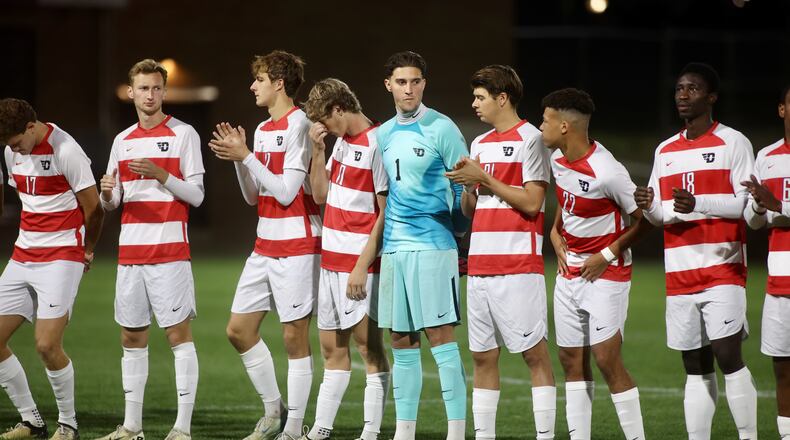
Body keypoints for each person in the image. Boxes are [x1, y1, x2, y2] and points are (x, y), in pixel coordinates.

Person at [634, 62, 757, 440]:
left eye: (693, 89)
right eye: (679, 89)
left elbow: (747, 206)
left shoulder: (733, 142)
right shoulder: (665, 150)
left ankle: (749, 436)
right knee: (694, 363)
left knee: (727, 355)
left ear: (712, 97)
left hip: (723, 268)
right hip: (680, 271)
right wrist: (647, 205)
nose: (683, 95)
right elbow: (659, 214)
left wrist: (699, 202)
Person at [209, 50, 321, 440]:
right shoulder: (261, 128)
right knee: (238, 329)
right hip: (265, 242)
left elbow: (289, 192)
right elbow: (253, 197)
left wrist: (247, 157)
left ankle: (292, 429)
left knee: (294, 338)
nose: (252, 86)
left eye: (259, 79)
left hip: (298, 244)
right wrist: (242, 161)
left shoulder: (301, 124)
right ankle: (275, 411)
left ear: (279, 82)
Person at [445, 65, 555, 439]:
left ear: (502, 98)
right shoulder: (479, 144)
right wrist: (467, 187)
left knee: (534, 355)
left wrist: (485, 180)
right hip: (479, 267)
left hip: (518, 267)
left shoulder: (532, 139)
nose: (474, 104)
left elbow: (533, 203)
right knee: (482, 356)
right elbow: (470, 211)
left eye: (480, 97)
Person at [97, 59, 205, 440]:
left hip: (170, 253)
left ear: (164, 91)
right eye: (143, 88)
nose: (150, 94)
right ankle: (132, 427)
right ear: (131, 92)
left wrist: (162, 175)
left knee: (178, 336)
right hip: (131, 254)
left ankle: (182, 428)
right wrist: (107, 192)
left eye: (156, 88)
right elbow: (113, 202)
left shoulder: (183, 134)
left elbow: (196, 195)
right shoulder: (122, 140)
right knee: (131, 337)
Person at [543, 88, 650, 440]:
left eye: (545, 120)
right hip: (568, 272)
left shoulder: (607, 171)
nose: (540, 126)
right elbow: (568, 202)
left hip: (606, 275)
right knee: (571, 361)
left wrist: (605, 256)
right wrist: (556, 233)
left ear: (563, 126)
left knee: (606, 360)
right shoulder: (558, 159)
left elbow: (643, 221)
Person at [375, 50, 469, 440]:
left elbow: (464, 186)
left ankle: (456, 431)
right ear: (389, 86)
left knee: (440, 338)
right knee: (400, 339)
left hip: (434, 246)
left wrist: (458, 235)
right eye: (401, 82)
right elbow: (386, 195)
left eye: (415, 81)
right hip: (395, 249)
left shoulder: (442, 128)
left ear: (424, 84)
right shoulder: (382, 133)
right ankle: (404, 432)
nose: (408, 89)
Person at [0, 97, 104, 440]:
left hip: (61, 257)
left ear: (32, 127)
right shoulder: (11, 151)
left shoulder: (66, 149)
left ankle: (68, 425)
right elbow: (26, 198)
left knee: (46, 345)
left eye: (17, 141)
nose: (15, 149)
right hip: (23, 255)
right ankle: (32, 422)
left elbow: (94, 208)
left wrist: (86, 251)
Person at [298, 78, 390, 440]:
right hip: (330, 261)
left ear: (339, 109)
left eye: (326, 120)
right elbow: (321, 195)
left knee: (369, 348)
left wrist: (361, 265)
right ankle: (320, 430)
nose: (324, 127)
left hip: (358, 265)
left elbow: (385, 213)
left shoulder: (379, 142)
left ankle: (370, 432)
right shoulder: (340, 144)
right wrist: (318, 151)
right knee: (332, 351)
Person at [741, 85, 790, 438]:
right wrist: (759, 205)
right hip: (780, 281)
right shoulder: (767, 157)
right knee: (783, 368)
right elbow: (753, 220)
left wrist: (777, 206)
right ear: (782, 110)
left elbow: (776, 209)